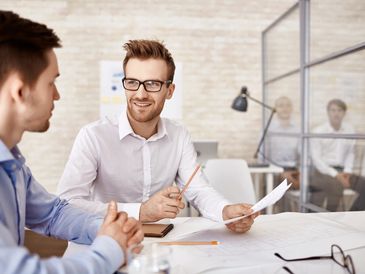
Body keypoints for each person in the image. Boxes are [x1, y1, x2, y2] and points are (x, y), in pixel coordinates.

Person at [58, 39, 258, 233]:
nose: (141, 94)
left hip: (162, 244)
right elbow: (68, 204)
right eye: (133, 82)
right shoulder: (93, 136)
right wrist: (141, 212)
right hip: (104, 240)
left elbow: (198, 190)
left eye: (152, 84)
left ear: (169, 91)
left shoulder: (179, 136)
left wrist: (225, 211)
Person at [0, 11, 143, 274]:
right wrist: (110, 249)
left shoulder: (12, 164)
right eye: (51, 83)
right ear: (19, 91)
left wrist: (106, 229)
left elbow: (52, 213)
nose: (57, 95)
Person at [310, 99, 365, 211]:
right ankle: (332, 218)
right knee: (336, 186)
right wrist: (336, 175)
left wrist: (348, 171)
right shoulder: (318, 131)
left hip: (343, 171)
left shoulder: (349, 130)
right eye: (333, 110)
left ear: (344, 113)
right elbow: (317, 160)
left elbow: (350, 153)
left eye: (339, 110)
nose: (336, 113)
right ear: (328, 112)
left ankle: (352, 214)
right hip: (323, 172)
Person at [266, 96, 300, 189]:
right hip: (274, 170)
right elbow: (263, 156)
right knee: (287, 180)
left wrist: (301, 171)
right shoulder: (268, 129)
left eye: (288, 105)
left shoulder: (298, 130)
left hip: (294, 170)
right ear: (275, 109)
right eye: (281, 106)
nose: (285, 108)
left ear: (292, 108)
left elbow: (303, 154)